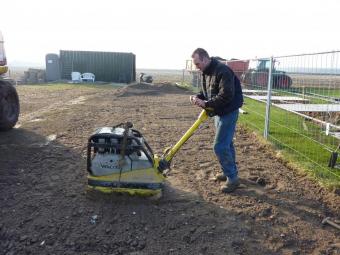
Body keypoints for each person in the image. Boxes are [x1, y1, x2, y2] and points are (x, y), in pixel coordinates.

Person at [190, 48, 243, 193]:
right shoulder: (205, 73)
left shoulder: (222, 71)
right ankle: (228, 173)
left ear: (205, 59)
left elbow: (226, 95)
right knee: (227, 144)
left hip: (228, 111)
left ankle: (232, 179)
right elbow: (206, 92)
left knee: (219, 146)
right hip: (218, 111)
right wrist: (197, 97)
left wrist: (206, 104)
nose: (196, 67)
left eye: (197, 63)